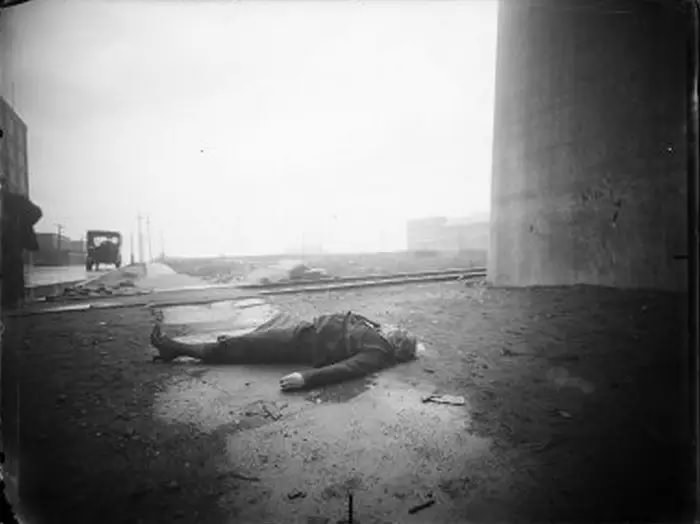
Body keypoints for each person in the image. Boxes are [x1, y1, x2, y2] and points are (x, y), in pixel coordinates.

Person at [150, 311, 420, 390]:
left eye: (399, 334)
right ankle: (222, 345)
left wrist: (306, 379)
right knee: (251, 340)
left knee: (244, 347)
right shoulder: (378, 332)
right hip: (304, 330)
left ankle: (173, 349)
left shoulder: (378, 352)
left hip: (301, 344)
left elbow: (348, 369)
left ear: (397, 345)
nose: (395, 329)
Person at [0, 172, 42, 309]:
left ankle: (15, 301)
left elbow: (36, 212)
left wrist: (20, 225)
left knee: (13, 268)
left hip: (10, 240)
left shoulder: (16, 201)